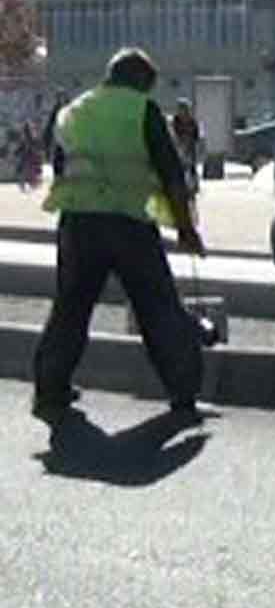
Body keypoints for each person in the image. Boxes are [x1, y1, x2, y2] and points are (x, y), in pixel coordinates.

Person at [32, 47, 207, 424]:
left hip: (78, 222)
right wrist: (186, 230)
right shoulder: (142, 112)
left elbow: (59, 163)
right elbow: (172, 177)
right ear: (142, 82)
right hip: (128, 223)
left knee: (70, 308)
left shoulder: (74, 111)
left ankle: (50, 389)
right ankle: (183, 393)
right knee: (157, 307)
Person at [171, 97, 201, 197]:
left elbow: (196, 136)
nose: (182, 111)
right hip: (178, 149)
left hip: (190, 149)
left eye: (184, 108)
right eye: (180, 108)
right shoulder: (175, 121)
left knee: (191, 168)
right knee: (177, 168)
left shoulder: (192, 121)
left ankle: (194, 187)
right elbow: (172, 134)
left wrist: (192, 143)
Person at [15, 120, 43, 191]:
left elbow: (36, 145)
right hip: (28, 156)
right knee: (26, 170)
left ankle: (30, 183)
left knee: (29, 170)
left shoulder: (31, 137)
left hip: (30, 156)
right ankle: (27, 184)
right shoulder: (27, 137)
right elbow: (21, 146)